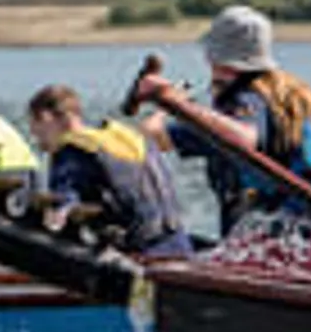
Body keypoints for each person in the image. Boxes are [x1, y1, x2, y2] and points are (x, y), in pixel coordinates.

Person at [135, 5, 311, 245]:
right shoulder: (291, 94)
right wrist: (172, 108)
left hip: (300, 236)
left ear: (215, 57)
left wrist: (168, 104)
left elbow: (243, 139)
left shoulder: (245, 100)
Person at [25, 85, 191, 259]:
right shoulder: (127, 137)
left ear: (46, 118)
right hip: (179, 245)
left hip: (137, 255)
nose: (35, 136)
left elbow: (63, 207)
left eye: (34, 127)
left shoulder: (71, 152)